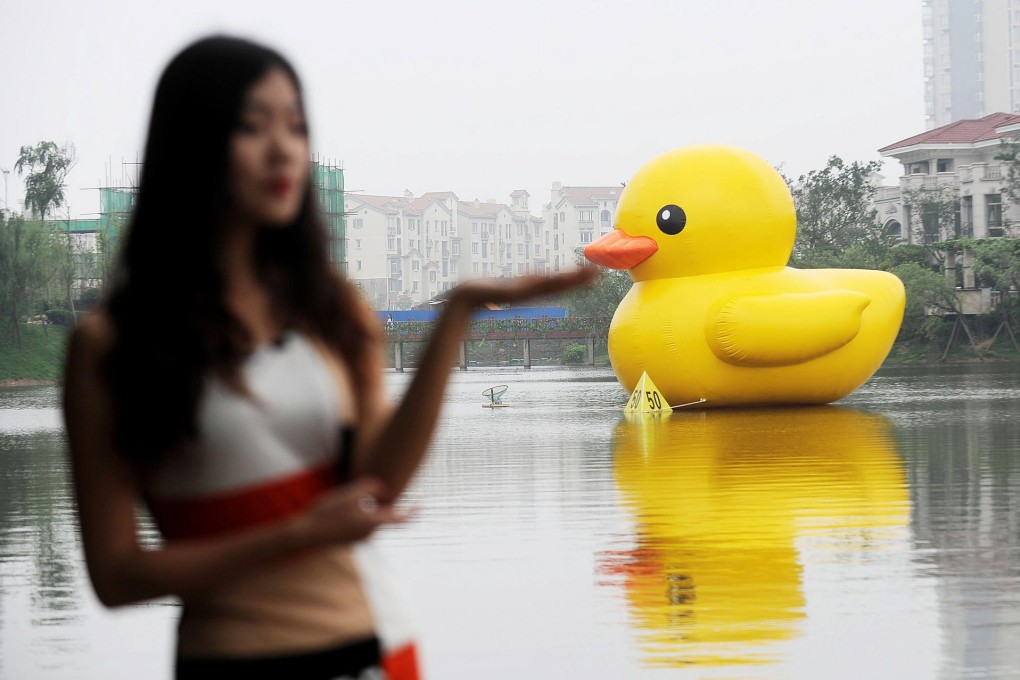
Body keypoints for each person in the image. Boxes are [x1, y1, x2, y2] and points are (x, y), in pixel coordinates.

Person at [62, 35, 594, 680]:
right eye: (253, 126)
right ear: (194, 142)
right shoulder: (113, 346)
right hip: (231, 660)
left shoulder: (328, 309)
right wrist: (299, 534)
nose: (284, 147)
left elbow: (381, 485)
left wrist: (457, 313)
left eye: (297, 126)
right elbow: (117, 576)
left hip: (373, 649)